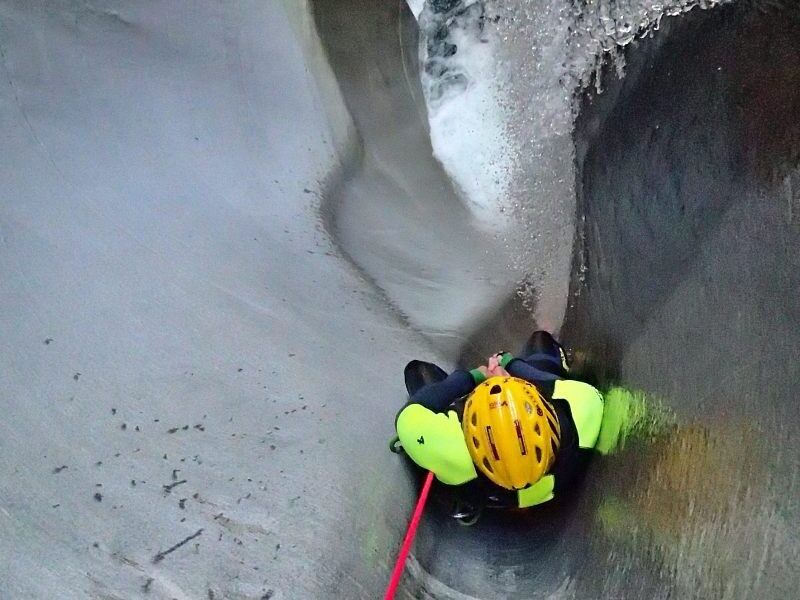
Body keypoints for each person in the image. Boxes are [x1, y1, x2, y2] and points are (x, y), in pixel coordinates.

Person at [390, 331, 604, 523]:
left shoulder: (451, 448)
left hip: (486, 495)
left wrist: (473, 377)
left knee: (419, 372)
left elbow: (412, 412)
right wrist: (511, 365)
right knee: (540, 343)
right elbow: (551, 382)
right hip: (549, 486)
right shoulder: (580, 411)